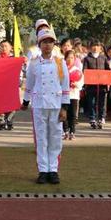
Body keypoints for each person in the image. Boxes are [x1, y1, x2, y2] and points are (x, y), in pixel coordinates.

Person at [22, 29, 69, 184]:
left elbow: (65, 85)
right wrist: (25, 101)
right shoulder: (34, 63)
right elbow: (29, 84)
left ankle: (53, 170)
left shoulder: (60, 62)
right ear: (39, 44)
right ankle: (43, 170)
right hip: (39, 104)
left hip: (55, 104)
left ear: (54, 44)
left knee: (55, 138)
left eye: (50, 42)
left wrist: (64, 107)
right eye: (44, 42)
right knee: (41, 138)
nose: (47, 45)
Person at [83, 39, 110, 129]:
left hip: (102, 84)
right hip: (91, 85)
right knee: (91, 102)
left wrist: (108, 80)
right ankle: (92, 118)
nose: (95, 48)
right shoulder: (87, 59)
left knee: (102, 102)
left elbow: (108, 70)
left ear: (100, 48)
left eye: (97, 46)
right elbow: (84, 71)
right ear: (90, 48)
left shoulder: (104, 58)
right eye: (93, 46)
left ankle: (101, 118)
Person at [63, 50, 83, 140]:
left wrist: (77, 85)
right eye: (68, 57)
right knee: (64, 115)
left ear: (74, 59)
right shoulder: (62, 69)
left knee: (73, 115)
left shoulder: (77, 70)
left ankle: (72, 132)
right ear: (65, 58)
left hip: (74, 95)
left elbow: (82, 82)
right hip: (63, 95)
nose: (70, 59)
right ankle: (65, 131)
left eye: (72, 58)